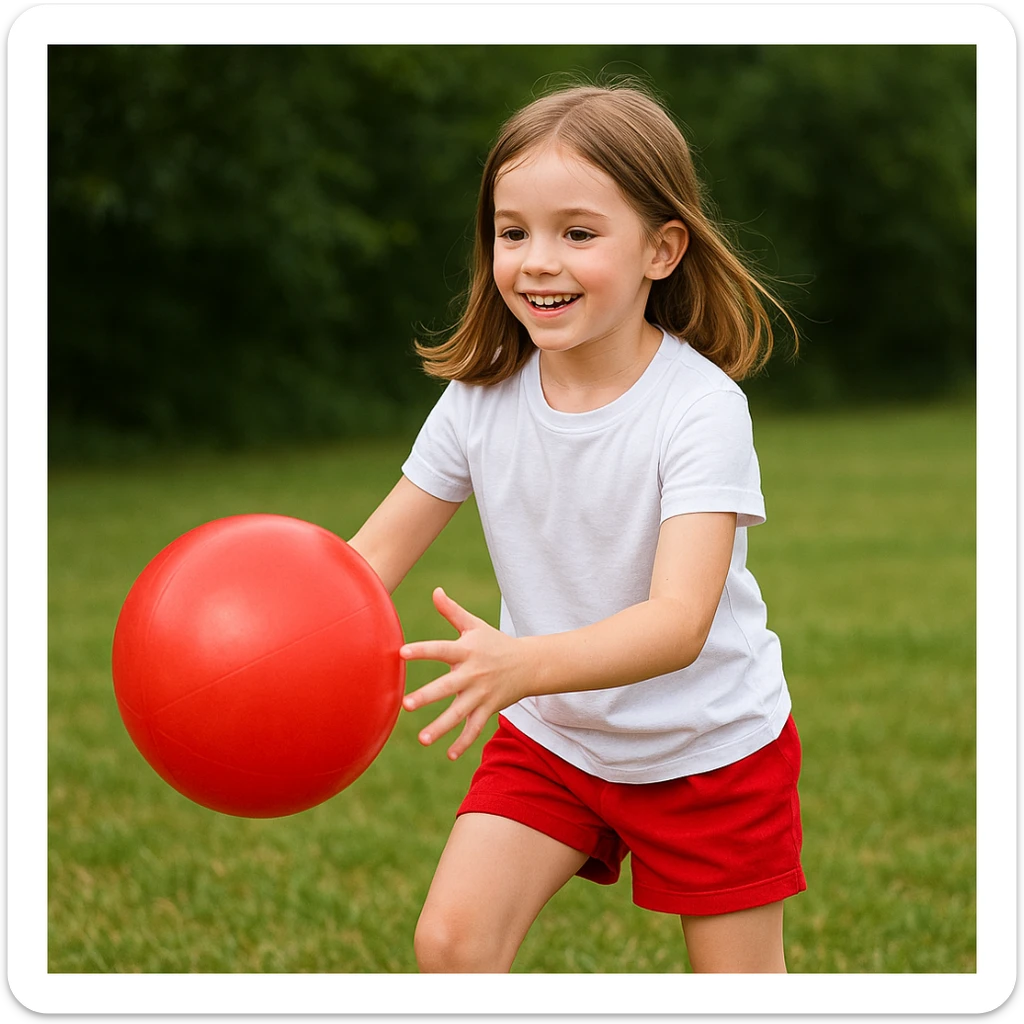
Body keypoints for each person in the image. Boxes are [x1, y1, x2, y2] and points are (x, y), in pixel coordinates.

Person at [349, 81, 804, 974]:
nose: (536, 261)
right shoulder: (478, 398)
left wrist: (522, 665)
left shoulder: (700, 409)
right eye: (512, 232)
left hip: (708, 749)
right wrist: (272, 628)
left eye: (578, 233)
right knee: (451, 944)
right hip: (553, 734)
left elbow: (679, 623)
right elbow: (368, 560)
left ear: (662, 250)